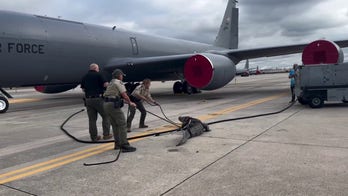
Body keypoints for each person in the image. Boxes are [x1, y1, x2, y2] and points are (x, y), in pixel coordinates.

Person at [103, 69, 137, 152]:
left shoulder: (111, 83)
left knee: (115, 125)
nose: (122, 77)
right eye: (122, 75)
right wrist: (130, 103)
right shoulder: (118, 82)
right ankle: (124, 144)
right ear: (119, 76)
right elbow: (124, 95)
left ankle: (117, 144)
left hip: (106, 104)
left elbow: (114, 96)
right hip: (113, 105)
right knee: (122, 124)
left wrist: (127, 102)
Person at [81, 63, 112, 141]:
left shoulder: (84, 76)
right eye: (98, 68)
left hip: (88, 100)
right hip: (98, 99)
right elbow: (105, 85)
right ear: (95, 68)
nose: (98, 70)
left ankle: (94, 137)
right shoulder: (99, 75)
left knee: (92, 120)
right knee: (106, 116)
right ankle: (106, 134)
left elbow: (83, 89)